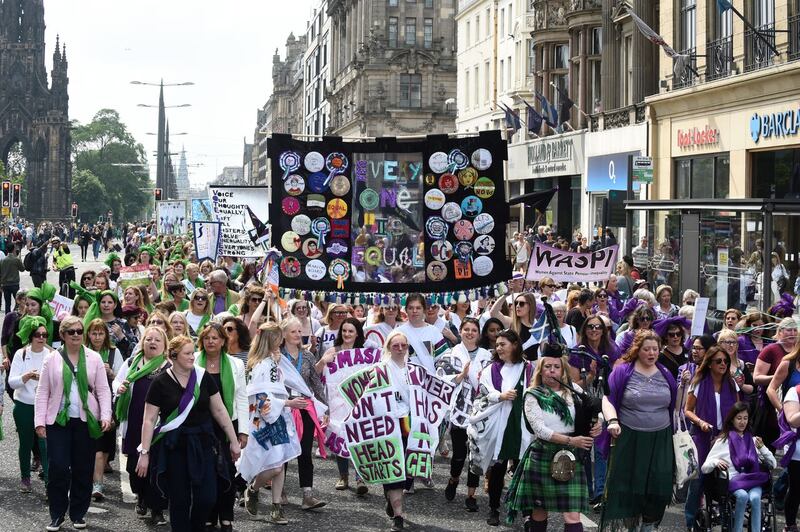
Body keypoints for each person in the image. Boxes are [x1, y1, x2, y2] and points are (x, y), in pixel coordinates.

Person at [136, 335, 242, 532]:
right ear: (174, 356)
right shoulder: (160, 382)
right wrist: (144, 453)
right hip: (175, 446)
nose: (193, 357)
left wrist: (234, 441)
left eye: (193, 352)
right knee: (180, 499)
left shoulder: (203, 377)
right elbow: (149, 420)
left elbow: (219, 411)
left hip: (203, 443)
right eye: (187, 353)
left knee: (207, 497)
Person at [505, 343, 600, 532]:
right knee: (540, 510)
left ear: (562, 369)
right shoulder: (533, 394)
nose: (552, 371)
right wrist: (572, 441)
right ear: (540, 369)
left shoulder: (573, 389)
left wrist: (598, 424)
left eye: (556, 367)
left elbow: (592, 408)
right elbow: (539, 430)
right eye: (547, 367)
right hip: (544, 453)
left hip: (571, 455)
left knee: (573, 515)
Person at [35, 316, 113, 532]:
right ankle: (57, 514)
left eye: (80, 331)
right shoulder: (51, 359)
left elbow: (103, 390)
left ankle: (78, 514)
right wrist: (39, 422)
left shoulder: (94, 358)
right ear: (63, 335)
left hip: (85, 422)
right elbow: (43, 392)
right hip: (58, 420)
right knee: (58, 468)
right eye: (71, 332)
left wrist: (105, 415)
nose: (77, 335)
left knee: (82, 468)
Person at [600, 330, 676, 531]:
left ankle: (648, 527)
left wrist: (684, 386)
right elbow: (607, 398)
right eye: (646, 349)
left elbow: (675, 407)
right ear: (637, 350)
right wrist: (612, 421)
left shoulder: (666, 373)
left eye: (655, 349)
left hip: (660, 439)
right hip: (630, 438)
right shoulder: (623, 371)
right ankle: (631, 527)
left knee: (658, 486)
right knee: (630, 488)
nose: (651, 353)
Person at [239, 323, 302, 526]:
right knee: (273, 465)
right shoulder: (260, 365)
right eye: (277, 338)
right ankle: (253, 489)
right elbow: (259, 396)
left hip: (278, 416)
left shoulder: (273, 362)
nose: (280, 342)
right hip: (262, 419)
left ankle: (276, 508)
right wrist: (286, 403)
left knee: (279, 462)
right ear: (271, 340)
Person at [471, 329, 533, 526]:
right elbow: (482, 391)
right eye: (497, 345)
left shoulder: (529, 368)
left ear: (515, 345)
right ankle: (494, 508)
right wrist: (500, 396)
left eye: (503, 344)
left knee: (523, 470)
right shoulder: (492, 369)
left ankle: (527, 513)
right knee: (497, 469)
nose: (498, 348)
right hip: (500, 425)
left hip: (522, 425)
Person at [112, 325, 170, 524]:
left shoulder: (169, 367)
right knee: (135, 466)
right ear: (142, 343)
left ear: (165, 346)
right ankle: (141, 496)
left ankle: (158, 508)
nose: (152, 342)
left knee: (158, 466)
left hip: (160, 426)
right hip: (136, 421)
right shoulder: (132, 363)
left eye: (157, 340)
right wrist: (119, 387)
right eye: (148, 339)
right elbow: (117, 381)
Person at [195, 322, 249, 531]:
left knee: (226, 471)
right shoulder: (194, 364)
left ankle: (226, 515)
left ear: (223, 341)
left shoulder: (236, 365)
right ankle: (208, 515)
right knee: (205, 473)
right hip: (201, 426)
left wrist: (243, 431)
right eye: (207, 337)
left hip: (228, 426)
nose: (211, 341)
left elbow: (242, 398)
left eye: (215, 338)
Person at [684, 345, 741, 529]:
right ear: (709, 364)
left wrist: (729, 432)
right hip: (702, 436)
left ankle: (726, 521)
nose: (723, 364)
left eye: (725, 361)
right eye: (718, 361)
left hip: (725, 438)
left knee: (725, 480)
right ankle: (691, 522)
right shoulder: (699, 382)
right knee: (698, 481)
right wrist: (700, 422)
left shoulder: (732, 384)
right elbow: (687, 410)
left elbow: (738, 412)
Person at [701, 402, 775, 532]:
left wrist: (762, 448)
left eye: (745, 418)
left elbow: (773, 464)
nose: (742, 422)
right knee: (742, 496)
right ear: (732, 419)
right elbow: (704, 467)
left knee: (756, 497)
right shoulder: (723, 441)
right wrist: (715, 462)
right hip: (734, 481)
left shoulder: (753, 441)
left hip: (753, 480)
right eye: (739, 418)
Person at [316, 317, 370, 494]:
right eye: (344, 331)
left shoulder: (364, 353)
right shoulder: (333, 350)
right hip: (337, 402)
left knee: (359, 438)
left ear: (357, 334)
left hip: (358, 401)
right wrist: (324, 360)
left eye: (351, 331)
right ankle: (343, 475)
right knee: (340, 435)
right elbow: (316, 373)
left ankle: (361, 477)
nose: (347, 334)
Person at [279, 317, 328, 509]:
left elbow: (316, 383)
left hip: (305, 408)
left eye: (300, 331)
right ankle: (279, 490)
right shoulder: (277, 356)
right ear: (283, 334)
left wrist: (325, 407)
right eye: (294, 331)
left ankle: (307, 495)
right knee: (282, 452)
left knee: (305, 451)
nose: (299, 335)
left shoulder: (307, 356)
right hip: (284, 408)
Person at [444, 317, 492, 511]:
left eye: (474, 330)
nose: (470, 333)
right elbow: (443, 378)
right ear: (461, 331)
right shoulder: (452, 353)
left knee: (476, 454)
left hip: (480, 410)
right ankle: (453, 478)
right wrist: (462, 375)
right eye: (466, 329)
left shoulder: (486, 355)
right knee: (459, 454)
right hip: (459, 410)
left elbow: (492, 381)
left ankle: (471, 494)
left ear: (478, 334)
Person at [8, 315, 52, 492]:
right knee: (25, 443)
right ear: (30, 337)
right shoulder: (21, 353)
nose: (41, 338)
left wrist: (43, 380)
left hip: (44, 406)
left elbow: (56, 381)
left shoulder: (50, 355)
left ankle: (49, 482)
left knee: (45, 444)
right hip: (24, 405)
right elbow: (12, 382)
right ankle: (25, 478)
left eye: (44, 334)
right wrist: (26, 377)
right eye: (37, 335)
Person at [84, 319, 124, 502]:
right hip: (88, 404)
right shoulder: (83, 353)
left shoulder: (114, 353)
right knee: (97, 447)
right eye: (94, 333)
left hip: (109, 403)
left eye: (101, 333)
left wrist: (111, 373)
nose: (97, 337)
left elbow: (122, 379)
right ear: (89, 335)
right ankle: (96, 483)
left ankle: (96, 475)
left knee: (105, 445)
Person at [0, 244, 24, 314]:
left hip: (5, 285)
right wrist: (20, 259)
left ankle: (8, 317)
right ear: (13, 249)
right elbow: (22, 269)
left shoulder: (2, 260)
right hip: (14, 284)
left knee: (7, 303)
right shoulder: (16, 259)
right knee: (18, 301)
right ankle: (16, 314)